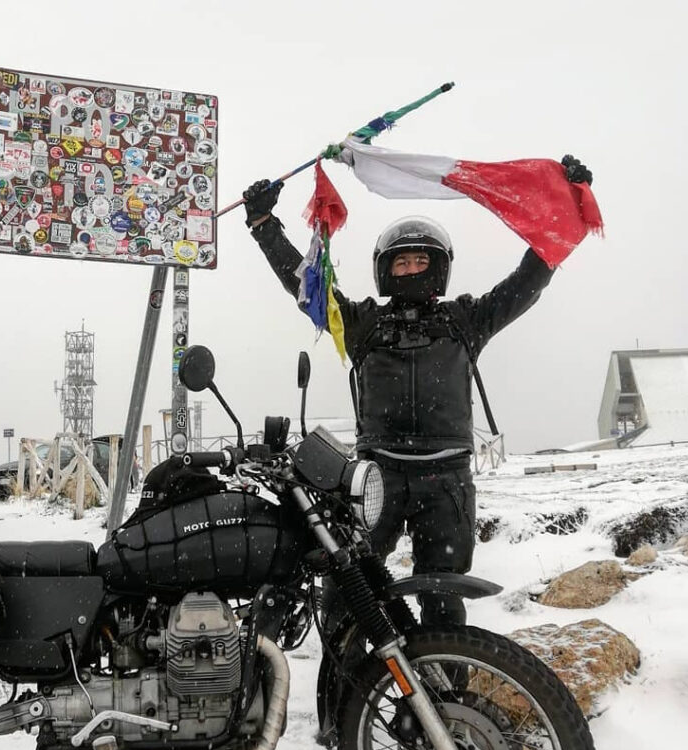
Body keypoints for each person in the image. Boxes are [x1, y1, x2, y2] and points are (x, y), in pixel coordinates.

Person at [242, 155, 593, 632]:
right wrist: (264, 224)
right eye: (402, 260)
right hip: (374, 477)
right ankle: (346, 693)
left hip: (446, 480)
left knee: (443, 599)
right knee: (351, 594)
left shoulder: (466, 321)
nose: (410, 268)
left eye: (420, 259)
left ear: (439, 267)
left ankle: (447, 695)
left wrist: (566, 204)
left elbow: (528, 281)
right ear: (387, 269)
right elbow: (307, 287)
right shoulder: (364, 324)